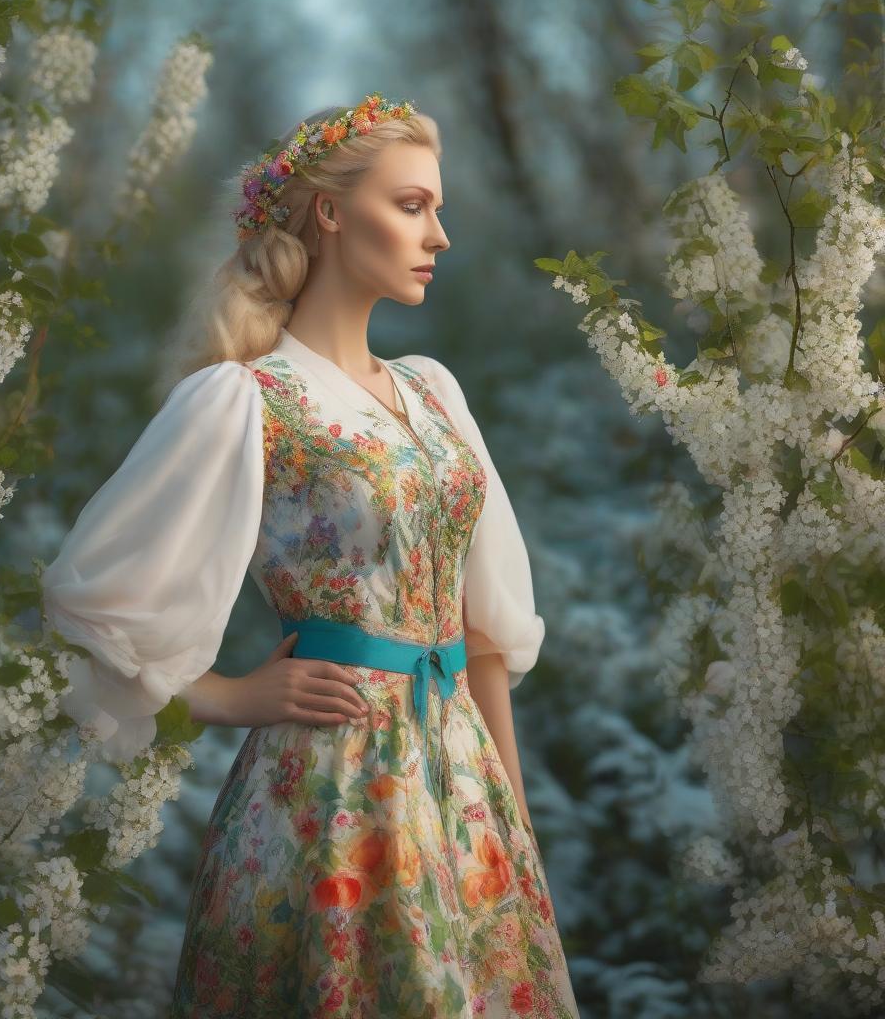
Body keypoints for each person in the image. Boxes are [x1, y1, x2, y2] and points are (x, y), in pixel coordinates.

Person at [40, 92, 580, 1018]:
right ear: (329, 212)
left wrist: (515, 825)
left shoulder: (434, 391)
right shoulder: (244, 398)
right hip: (328, 795)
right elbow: (92, 603)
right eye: (412, 206)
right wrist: (226, 696)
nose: (439, 235)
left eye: (437, 209)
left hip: (467, 790)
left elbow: (483, 628)